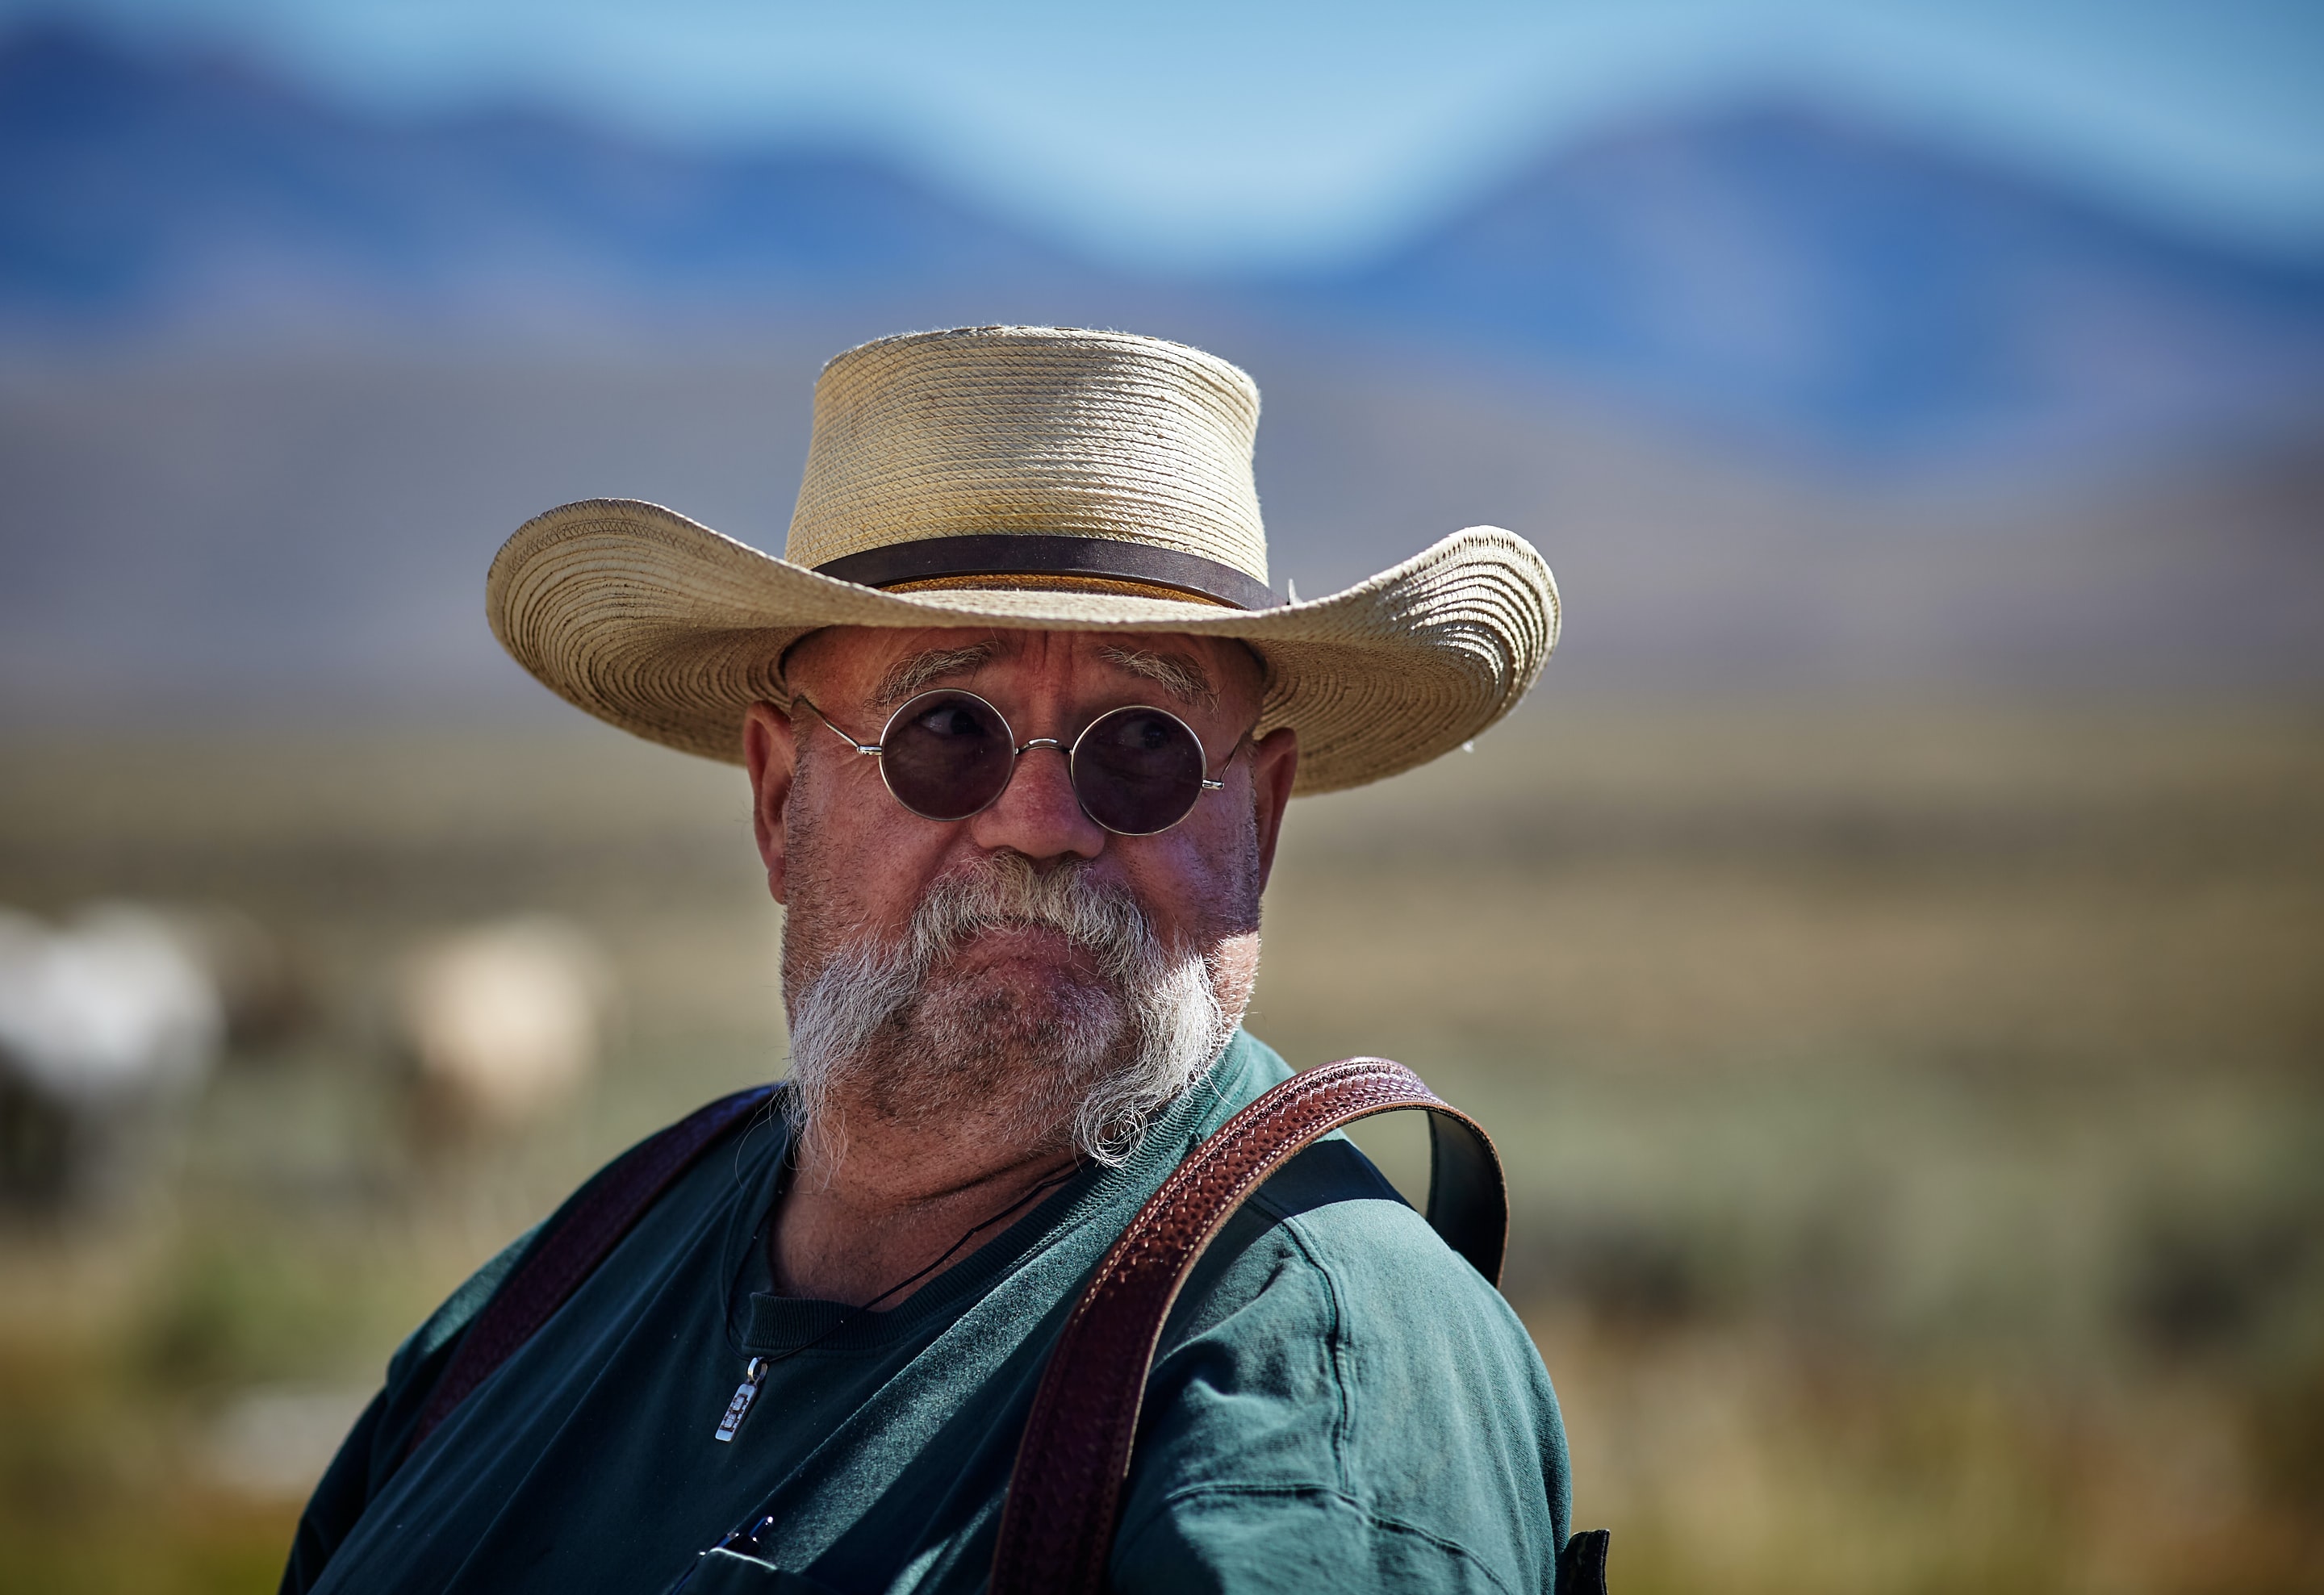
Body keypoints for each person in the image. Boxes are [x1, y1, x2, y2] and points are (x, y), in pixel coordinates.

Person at [283, 325, 1574, 1593]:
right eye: (946, 728)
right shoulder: (554, 1292)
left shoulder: (1303, 1384)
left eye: (1144, 747)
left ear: (1262, 819)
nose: (1040, 822)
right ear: (778, 797)